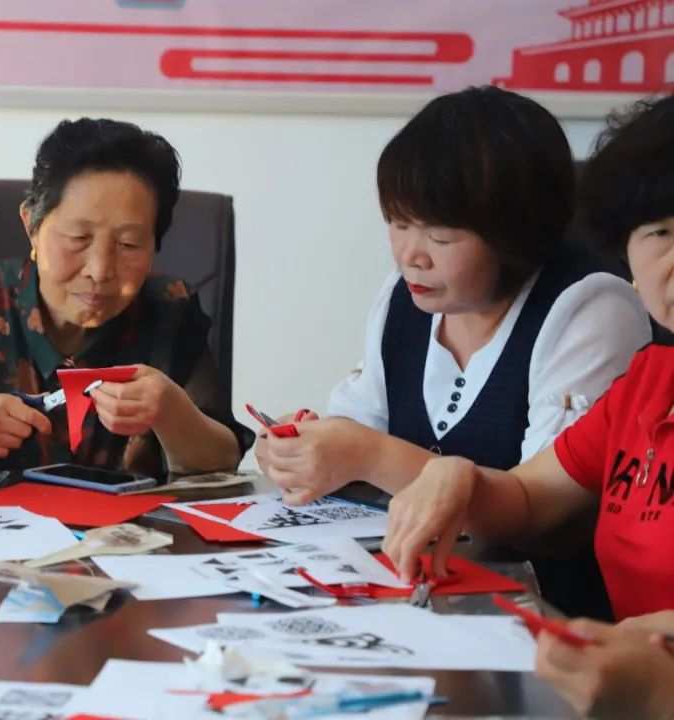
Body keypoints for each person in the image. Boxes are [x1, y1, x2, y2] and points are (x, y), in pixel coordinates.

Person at [254, 85, 651, 617]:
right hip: (420, 597)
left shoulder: (588, 306)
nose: (410, 257)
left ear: (515, 233)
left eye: (440, 237)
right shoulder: (404, 298)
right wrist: (303, 449)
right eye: (397, 224)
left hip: (549, 617)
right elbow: (356, 425)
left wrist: (366, 453)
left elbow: (553, 519)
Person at [384, 93, 674, 718]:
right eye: (661, 232)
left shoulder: (584, 311)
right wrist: (457, 476)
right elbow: (533, 500)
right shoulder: (651, 381)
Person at [0, 118, 252, 476]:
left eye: (129, 244)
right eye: (78, 238)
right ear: (32, 225)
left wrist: (171, 412)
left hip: (126, 545)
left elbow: (224, 462)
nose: (100, 270)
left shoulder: (170, 309)